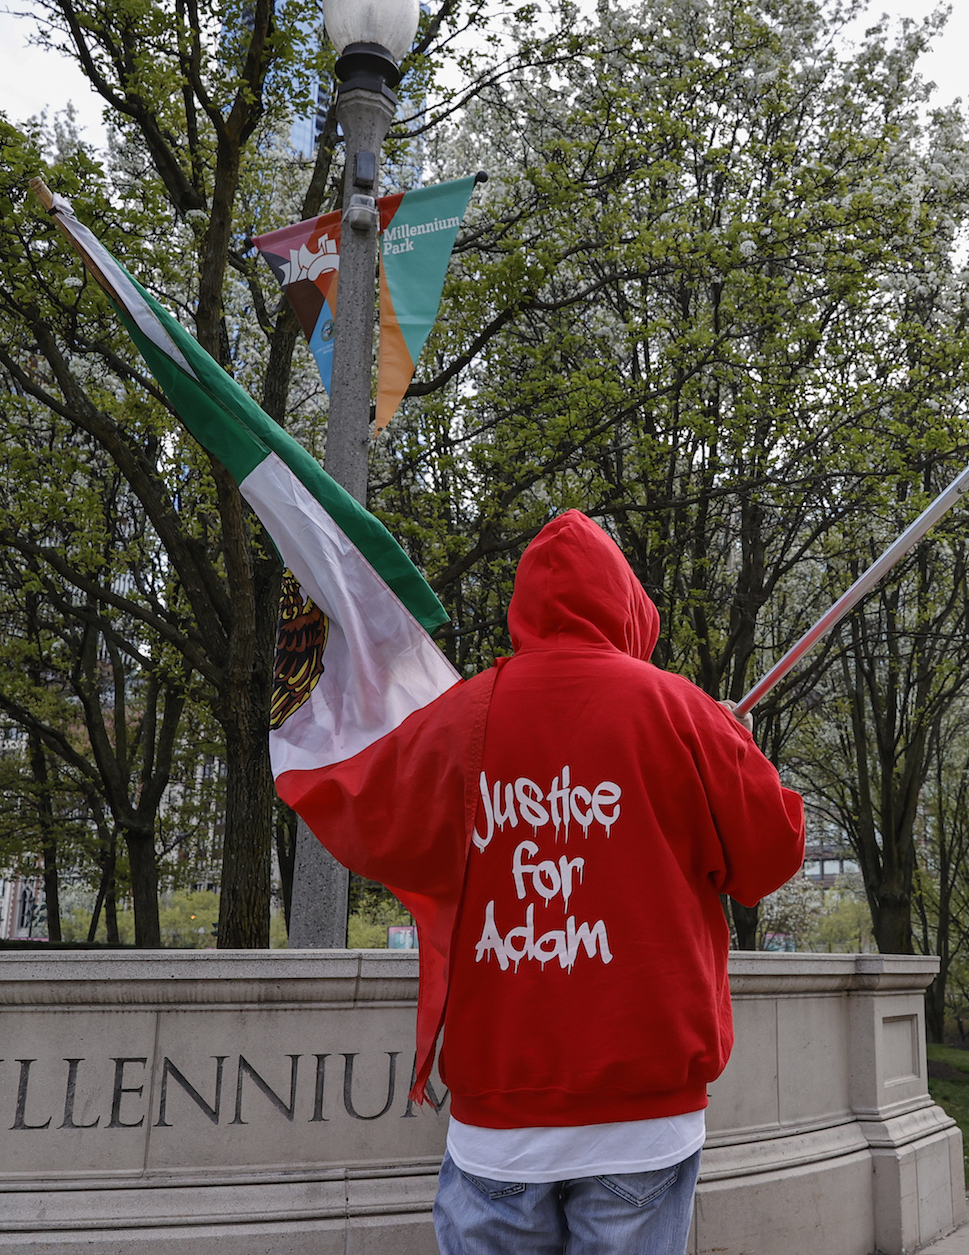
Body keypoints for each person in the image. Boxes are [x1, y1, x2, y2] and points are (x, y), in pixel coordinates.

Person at [291, 511, 807, 1254]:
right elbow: (772, 852)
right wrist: (737, 751)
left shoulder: (460, 716)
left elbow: (366, 816)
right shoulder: (682, 712)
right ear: (624, 602)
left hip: (500, 1125)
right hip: (643, 1124)